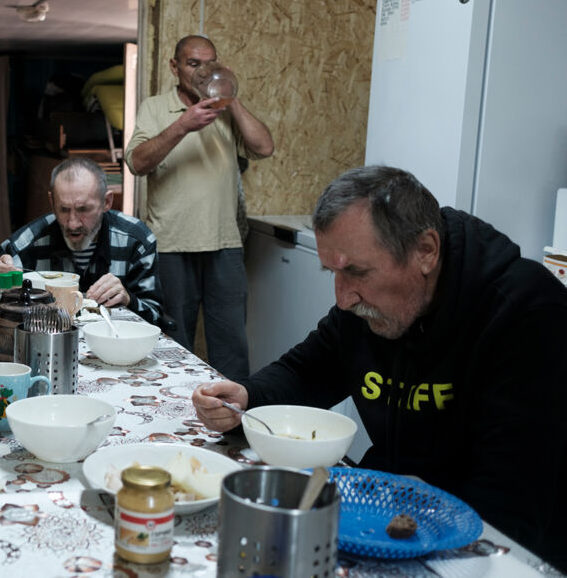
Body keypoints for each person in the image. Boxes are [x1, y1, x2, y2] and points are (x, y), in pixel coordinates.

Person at [192, 165, 567, 571]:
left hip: (484, 543)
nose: (343, 299)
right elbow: (307, 370)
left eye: (356, 271)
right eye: (333, 272)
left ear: (426, 251)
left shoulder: (527, 313)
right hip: (387, 510)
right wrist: (247, 399)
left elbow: (508, 507)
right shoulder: (369, 307)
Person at [125, 35, 274, 378]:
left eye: (210, 64)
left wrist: (230, 97)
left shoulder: (226, 109)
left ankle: (230, 411)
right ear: (174, 67)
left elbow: (264, 147)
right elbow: (137, 163)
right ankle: (175, 409)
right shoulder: (155, 107)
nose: (203, 72)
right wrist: (183, 125)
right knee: (172, 344)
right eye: (194, 64)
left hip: (225, 245)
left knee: (231, 345)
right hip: (171, 245)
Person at [0, 157, 167, 329]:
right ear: (52, 202)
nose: (72, 223)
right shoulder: (32, 239)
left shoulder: (136, 240)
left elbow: (158, 318)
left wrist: (128, 299)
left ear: (106, 202)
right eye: (63, 210)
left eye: (83, 209)